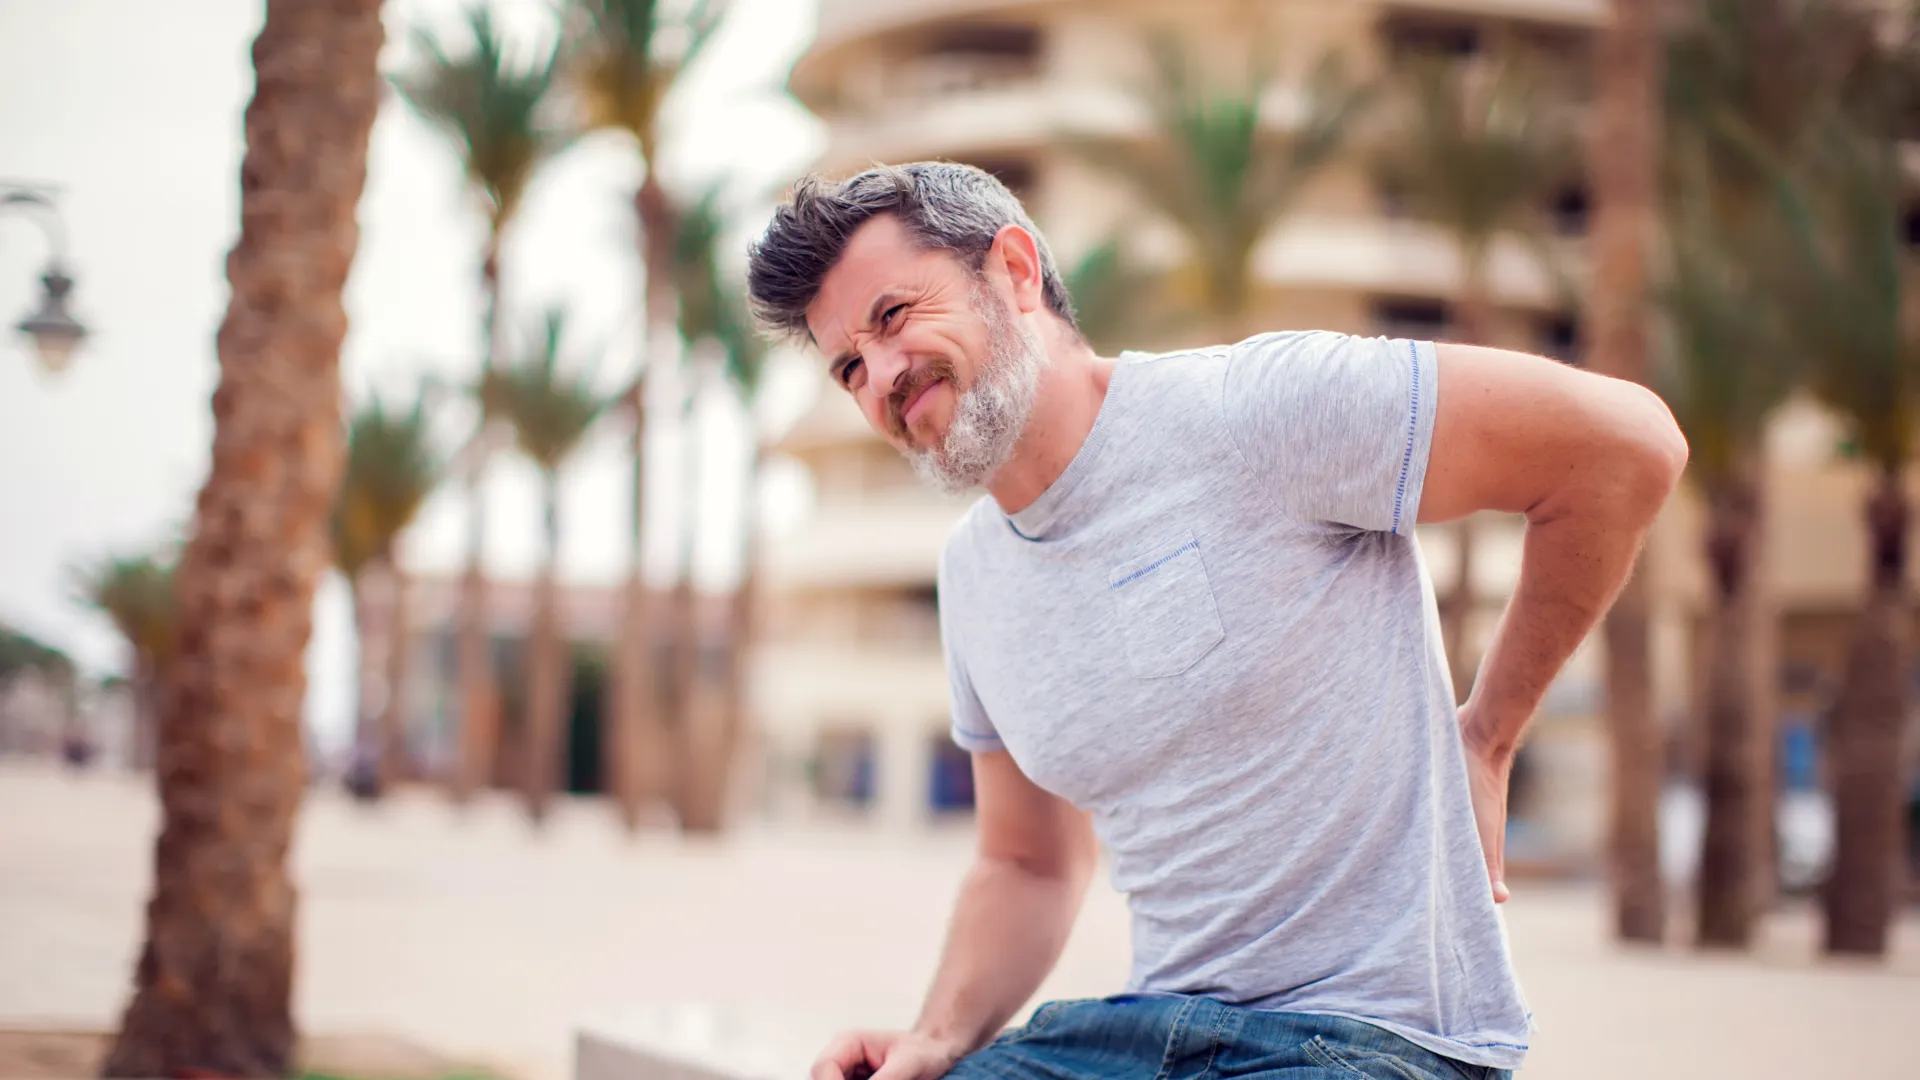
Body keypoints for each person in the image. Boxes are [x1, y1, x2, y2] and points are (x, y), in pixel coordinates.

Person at [746, 162, 1687, 1080]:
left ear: (1016, 271)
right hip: (1144, 1033)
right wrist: (936, 1037)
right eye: (847, 367)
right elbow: (1026, 862)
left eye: (894, 316)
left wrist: (1488, 736)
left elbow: (1623, 450)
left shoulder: (1254, 408)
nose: (880, 377)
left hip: (1373, 1036)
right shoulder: (974, 574)